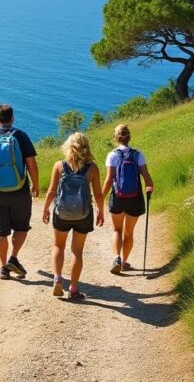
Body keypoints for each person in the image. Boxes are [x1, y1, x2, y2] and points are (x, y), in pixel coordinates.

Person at [0, 104, 39, 280]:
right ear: (12, 119)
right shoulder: (20, 136)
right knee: (21, 227)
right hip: (20, 190)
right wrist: (35, 185)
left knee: (1, 231)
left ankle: (4, 268)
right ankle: (13, 257)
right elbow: (32, 164)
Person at [42, 133, 104, 300]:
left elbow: (51, 191)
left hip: (61, 213)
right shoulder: (92, 168)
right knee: (77, 251)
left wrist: (46, 209)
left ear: (68, 147)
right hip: (83, 215)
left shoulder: (59, 166)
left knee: (58, 246)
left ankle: (57, 278)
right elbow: (98, 194)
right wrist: (101, 211)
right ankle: (74, 289)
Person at [103, 124, 155, 275]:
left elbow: (108, 180)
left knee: (117, 229)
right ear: (129, 137)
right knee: (129, 232)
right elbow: (148, 179)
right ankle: (125, 262)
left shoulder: (112, 155)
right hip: (135, 197)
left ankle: (116, 258)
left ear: (115, 138)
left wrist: (100, 197)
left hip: (118, 198)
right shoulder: (138, 154)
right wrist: (149, 188)